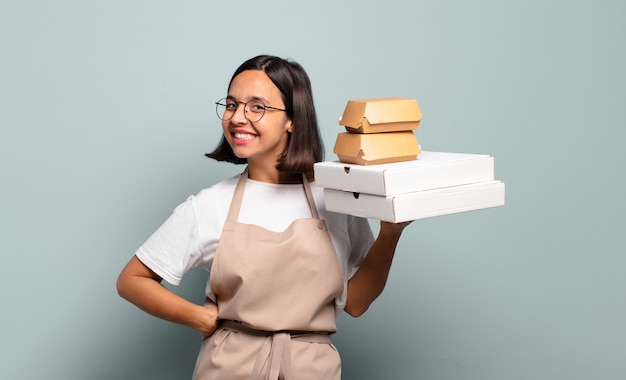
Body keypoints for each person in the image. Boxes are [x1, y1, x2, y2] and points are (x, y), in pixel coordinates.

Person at [117, 54, 412, 379]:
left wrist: (391, 233)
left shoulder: (336, 198)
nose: (238, 118)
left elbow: (356, 303)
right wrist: (197, 317)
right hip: (229, 367)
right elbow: (132, 280)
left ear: (293, 119)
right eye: (232, 105)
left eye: (257, 107)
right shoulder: (210, 204)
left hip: (312, 369)